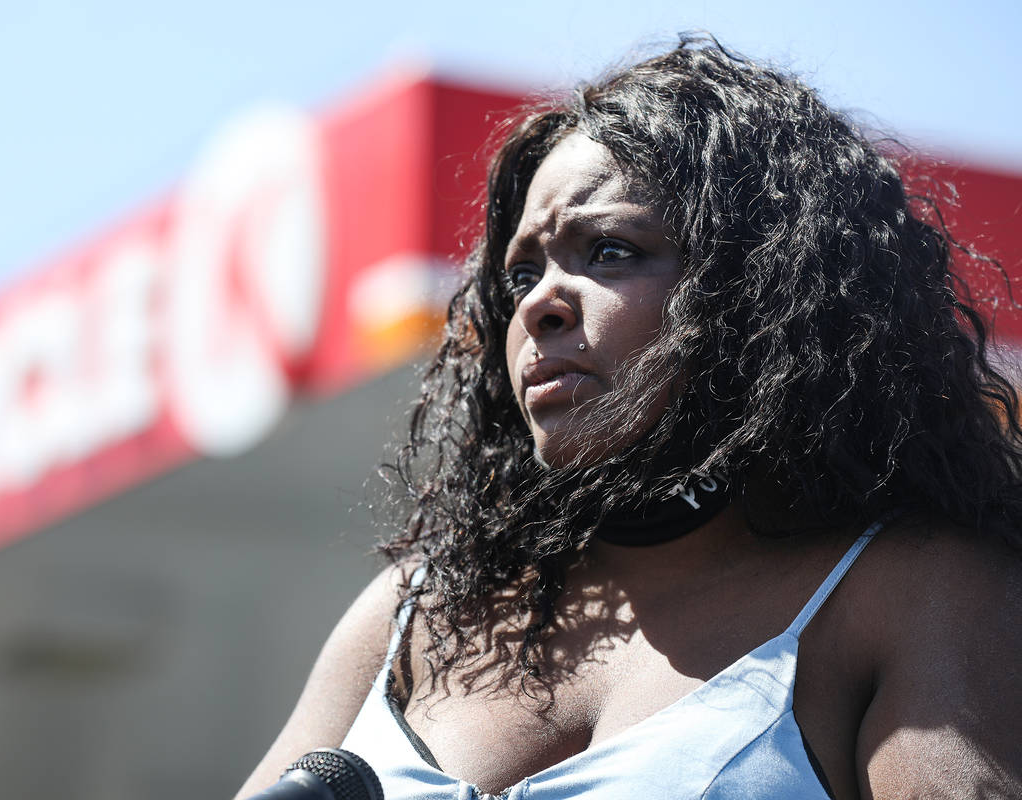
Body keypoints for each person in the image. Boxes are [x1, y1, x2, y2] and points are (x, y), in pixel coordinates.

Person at [236, 37, 1022, 799]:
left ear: (759, 288)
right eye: (520, 275)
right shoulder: (416, 613)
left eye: (609, 251)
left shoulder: (908, 592)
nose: (541, 303)